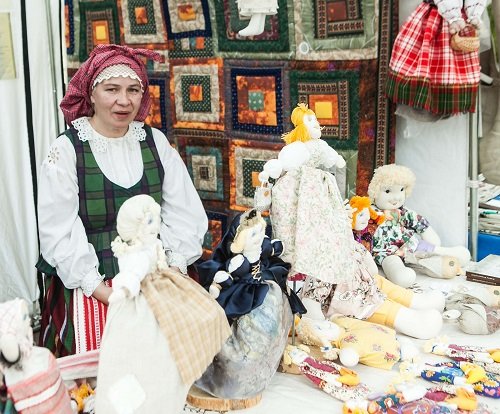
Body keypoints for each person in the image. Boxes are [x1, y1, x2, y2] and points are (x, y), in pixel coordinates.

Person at [36, 44, 208, 356]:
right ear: (90, 93)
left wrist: (171, 274)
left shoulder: (153, 142)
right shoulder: (66, 150)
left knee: (172, 366)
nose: (124, 100)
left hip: (156, 275)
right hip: (93, 280)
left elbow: (183, 213)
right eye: (111, 89)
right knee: (102, 380)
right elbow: (58, 231)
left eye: (133, 90)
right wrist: (103, 290)